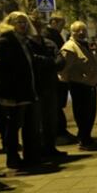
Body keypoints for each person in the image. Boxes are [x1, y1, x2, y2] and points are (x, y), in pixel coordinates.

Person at [0, 12, 41, 168]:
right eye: (20, 22)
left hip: (27, 89)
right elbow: (2, 68)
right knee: (13, 126)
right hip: (14, 92)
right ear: (11, 23)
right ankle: (12, 158)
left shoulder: (25, 41)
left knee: (29, 124)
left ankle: (31, 156)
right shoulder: (6, 41)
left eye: (25, 22)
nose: (23, 25)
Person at [28, 13, 67, 159]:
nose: (37, 29)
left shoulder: (48, 43)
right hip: (36, 87)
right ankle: (39, 150)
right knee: (37, 121)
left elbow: (60, 60)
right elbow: (34, 62)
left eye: (39, 26)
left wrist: (49, 63)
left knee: (51, 119)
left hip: (50, 85)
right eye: (34, 26)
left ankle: (50, 148)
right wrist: (50, 62)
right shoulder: (28, 44)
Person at [59, 22, 97, 149]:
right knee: (83, 114)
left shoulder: (82, 45)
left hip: (89, 85)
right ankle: (84, 140)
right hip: (80, 86)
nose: (82, 33)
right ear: (72, 32)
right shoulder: (70, 47)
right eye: (78, 31)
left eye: (83, 30)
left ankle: (86, 137)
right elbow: (64, 69)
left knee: (90, 113)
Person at [43, 13, 72, 141]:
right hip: (55, 75)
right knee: (56, 105)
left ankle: (60, 131)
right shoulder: (49, 35)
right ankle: (59, 132)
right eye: (61, 24)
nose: (62, 27)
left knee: (58, 104)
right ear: (53, 22)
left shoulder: (54, 35)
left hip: (59, 73)